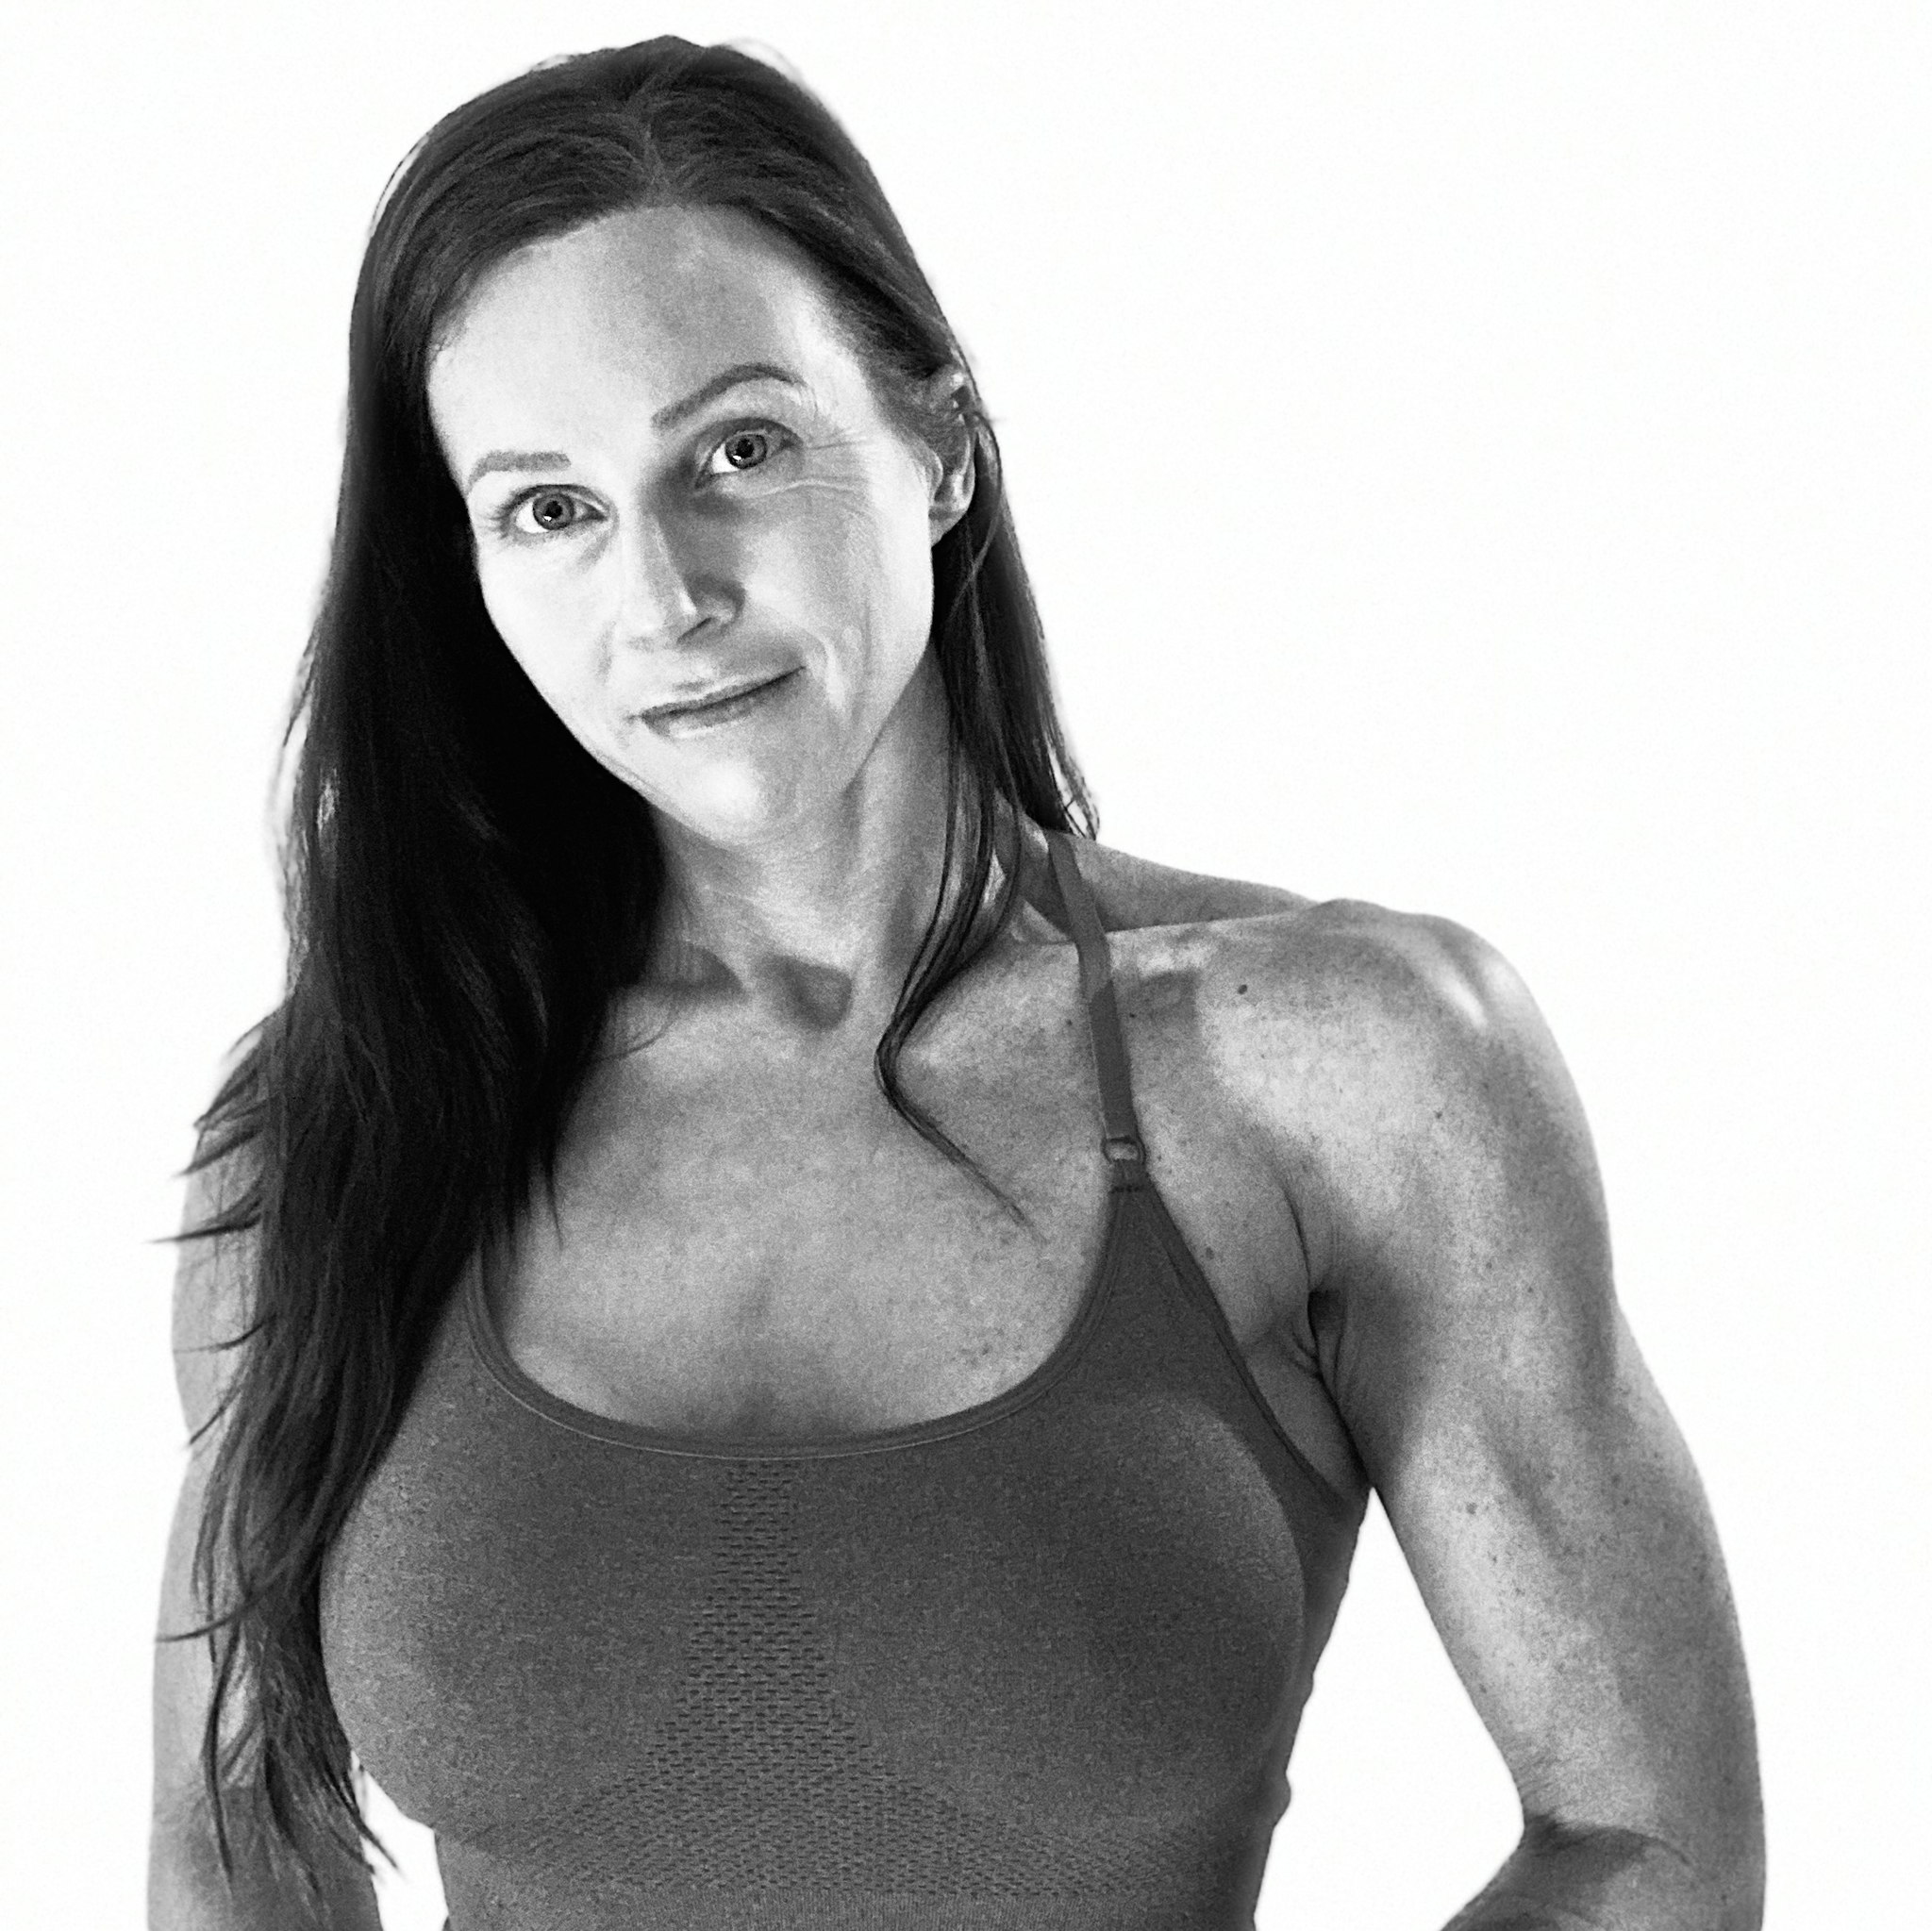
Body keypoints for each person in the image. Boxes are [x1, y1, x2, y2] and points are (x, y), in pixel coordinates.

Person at [147, 35, 1764, 1931]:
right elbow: (237, 1835)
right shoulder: (343, 1130)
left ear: (938, 446)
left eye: (738, 451)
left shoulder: (1337, 1073)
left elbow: (1650, 1840)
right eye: (550, 508)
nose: (664, 598)